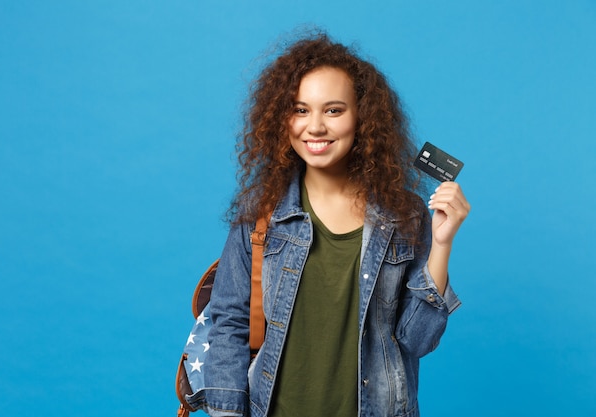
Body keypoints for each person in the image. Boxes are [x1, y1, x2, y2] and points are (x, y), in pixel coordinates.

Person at [200, 31, 470, 417]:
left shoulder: (403, 216)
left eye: (333, 110)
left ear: (363, 117)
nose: (315, 127)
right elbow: (229, 325)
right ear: (281, 118)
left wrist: (442, 243)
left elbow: (418, 340)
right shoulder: (260, 213)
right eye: (299, 109)